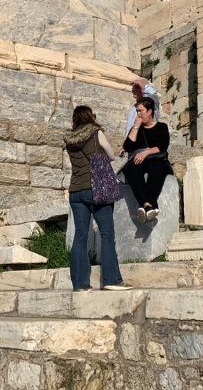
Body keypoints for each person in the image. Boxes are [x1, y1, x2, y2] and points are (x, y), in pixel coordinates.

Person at [64, 106, 132, 291]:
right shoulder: (96, 133)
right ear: (90, 117)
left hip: (76, 190)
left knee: (80, 236)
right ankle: (111, 280)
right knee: (107, 234)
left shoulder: (69, 140)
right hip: (96, 187)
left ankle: (79, 284)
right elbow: (110, 155)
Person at [121, 97, 173, 222]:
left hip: (157, 159)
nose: (138, 114)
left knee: (157, 169)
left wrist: (146, 152)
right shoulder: (137, 129)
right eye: (137, 111)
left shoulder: (161, 127)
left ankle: (146, 204)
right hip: (139, 161)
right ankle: (149, 206)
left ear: (149, 111)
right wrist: (135, 127)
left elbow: (163, 146)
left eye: (140, 111)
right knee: (132, 169)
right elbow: (127, 146)